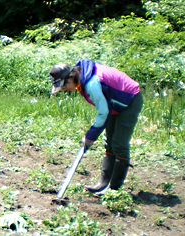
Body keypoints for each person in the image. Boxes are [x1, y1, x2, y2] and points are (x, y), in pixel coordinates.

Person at [49, 59, 143, 195]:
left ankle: (114, 189)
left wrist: (90, 136)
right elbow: (104, 109)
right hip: (113, 102)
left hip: (129, 100)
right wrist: (91, 135)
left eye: (64, 85)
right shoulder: (82, 78)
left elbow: (103, 112)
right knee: (109, 142)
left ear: (71, 77)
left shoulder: (91, 83)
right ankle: (103, 184)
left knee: (119, 144)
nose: (64, 89)